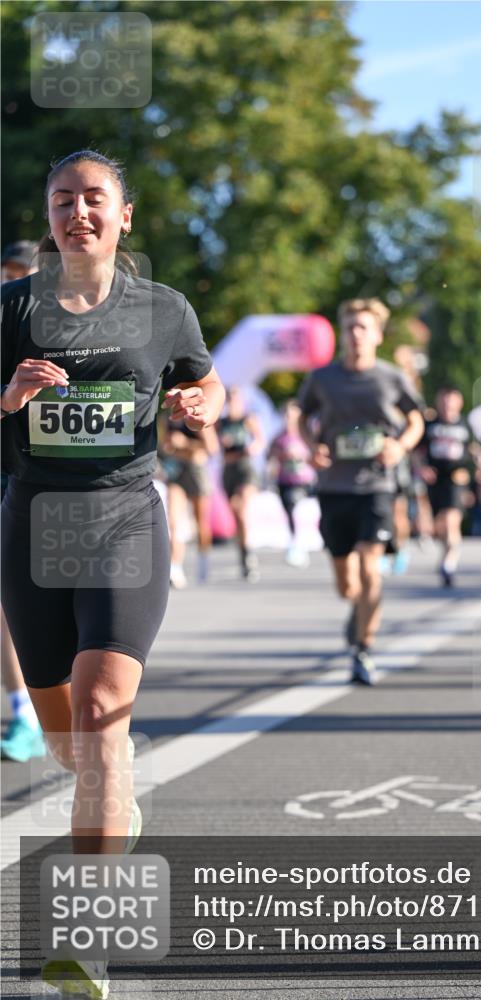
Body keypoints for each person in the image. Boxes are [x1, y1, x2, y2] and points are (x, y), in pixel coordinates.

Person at [0, 150, 224, 998]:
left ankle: (85, 933)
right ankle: (115, 809)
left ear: (123, 216)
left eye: (95, 198)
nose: (78, 213)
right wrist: (6, 398)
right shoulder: (13, 307)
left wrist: (202, 407)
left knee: (101, 719)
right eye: (63, 200)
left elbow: (208, 388)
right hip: (30, 529)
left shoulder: (163, 310)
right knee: (68, 742)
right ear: (50, 216)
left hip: (126, 521)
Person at [298, 298, 424, 685]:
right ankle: (357, 611)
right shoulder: (323, 378)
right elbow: (303, 416)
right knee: (346, 582)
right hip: (335, 486)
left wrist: (400, 446)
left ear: (377, 335)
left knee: (371, 568)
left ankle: (363, 649)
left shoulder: (391, 378)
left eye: (363, 327)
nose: (356, 334)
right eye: (350, 326)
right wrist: (312, 446)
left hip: (377, 485)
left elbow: (417, 419)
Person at [1, 240, 48, 762]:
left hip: (53, 485)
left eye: (21, 274)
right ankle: (22, 712)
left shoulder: (72, 328)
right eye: (6, 272)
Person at [420, 387, 473, 587]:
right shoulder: (430, 425)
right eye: (444, 401)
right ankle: (446, 553)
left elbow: (475, 452)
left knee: (452, 521)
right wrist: (422, 468)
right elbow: (417, 451)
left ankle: (449, 564)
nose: (447, 405)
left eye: (451, 401)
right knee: (440, 524)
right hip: (435, 479)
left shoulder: (465, 425)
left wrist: (471, 472)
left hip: (456, 479)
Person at [158, 413, 219, 587]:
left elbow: (212, 448)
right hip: (176, 471)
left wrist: (185, 443)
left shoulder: (198, 414)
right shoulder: (166, 418)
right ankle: (175, 567)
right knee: (174, 521)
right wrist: (169, 445)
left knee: (201, 523)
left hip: (196, 470)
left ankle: (203, 560)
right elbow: (163, 445)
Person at [218, 386, 264, 581]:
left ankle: (249, 554)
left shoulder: (248, 419)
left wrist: (252, 448)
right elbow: (216, 447)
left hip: (246, 469)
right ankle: (244, 553)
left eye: (235, 398)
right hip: (229, 470)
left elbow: (259, 441)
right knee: (236, 513)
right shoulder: (221, 423)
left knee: (242, 508)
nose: (232, 402)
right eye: (229, 399)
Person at [267, 399, 316, 567]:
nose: (289, 419)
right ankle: (295, 543)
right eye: (286, 415)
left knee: (296, 504)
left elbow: (317, 453)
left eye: (292, 415)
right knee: (289, 510)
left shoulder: (307, 435)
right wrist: (280, 455)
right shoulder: (279, 438)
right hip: (285, 479)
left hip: (304, 481)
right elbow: (269, 457)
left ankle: (302, 543)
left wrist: (302, 456)